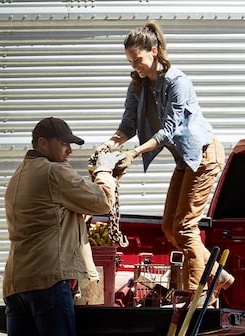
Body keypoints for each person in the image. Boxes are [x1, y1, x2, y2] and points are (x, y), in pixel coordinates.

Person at [0, 117, 124, 336]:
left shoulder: (17, 178)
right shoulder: (54, 174)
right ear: (42, 142)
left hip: (17, 283)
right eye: (63, 143)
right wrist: (104, 172)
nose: (69, 149)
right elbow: (101, 202)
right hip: (50, 281)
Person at [98, 20, 233, 299]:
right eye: (130, 61)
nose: (135, 66)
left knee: (184, 227)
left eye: (138, 60)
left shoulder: (177, 82)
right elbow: (127, 125)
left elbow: (168, 130)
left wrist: (134, 152)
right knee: (169, 227)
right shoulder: (138, 85)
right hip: (185, 159)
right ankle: (218, 274)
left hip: (204, 155)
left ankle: (196, 295)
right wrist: (107, 146)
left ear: (154, 51)